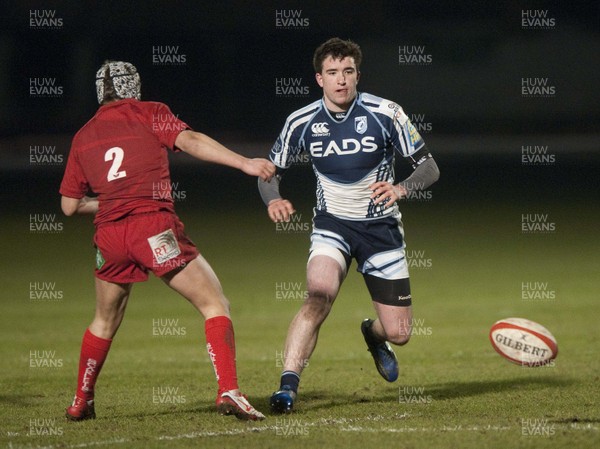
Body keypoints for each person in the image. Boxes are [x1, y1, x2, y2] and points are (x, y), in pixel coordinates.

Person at [60, 60, 274, 421]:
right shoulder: (151, 112)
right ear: (135, 87)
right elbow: (189, 140)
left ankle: (82, 400)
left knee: (103, 320)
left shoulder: (83, 135)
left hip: (110, 237)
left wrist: (113, 200)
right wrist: (243, 163)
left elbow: (69, 206)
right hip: (152, 228)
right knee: (214, 303)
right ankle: (229, 391)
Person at [258, 38, 440, 413]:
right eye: (332, 73)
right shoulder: (301, 121)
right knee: (317, 297)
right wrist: (272, 197)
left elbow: (430, 167)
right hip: (332, 226)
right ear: (318, 79)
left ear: (357, 74)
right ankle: (287, 388)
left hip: (380, 231)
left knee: (400, 334)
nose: (341, 80)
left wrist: (402, 187)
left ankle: (373, 336)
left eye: (348, 72)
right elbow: (268, 172)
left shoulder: (386, 113)